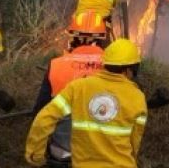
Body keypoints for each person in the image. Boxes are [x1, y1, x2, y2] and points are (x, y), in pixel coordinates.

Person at [24, 39, 147, 168]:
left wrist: (36, 155)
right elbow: (135, 140)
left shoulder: (78, 87)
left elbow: (44, 119)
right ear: (128, 70)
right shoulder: (137, 96)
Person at [32, 10, 108, 166]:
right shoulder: (114, 67)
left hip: (64, 153)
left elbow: (40, 111)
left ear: (73, 37)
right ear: (103, 39)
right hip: (104, 152)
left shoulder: (56, 65)